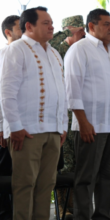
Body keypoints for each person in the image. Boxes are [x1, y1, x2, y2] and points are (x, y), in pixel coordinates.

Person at [1, 7, 68, 219]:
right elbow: (7, 92)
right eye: (46, 23)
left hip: (53, 130)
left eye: (51, 22)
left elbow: (62, 93)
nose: (52, 27)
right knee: (24, 186)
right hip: (27, 131)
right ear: (29, 26)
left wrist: (63, 126)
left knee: (46, 187)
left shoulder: (55, 53)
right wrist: (15, 127)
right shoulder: (17, 49)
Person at [64, 9, 110, 219]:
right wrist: (82, 122)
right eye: (106, 24)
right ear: (91, 27)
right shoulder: (79, 49)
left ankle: (104, 216)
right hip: (91, 124)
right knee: (86, 178)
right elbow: (72, 90)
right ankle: (82, 216)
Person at [49, 15, 86, 219]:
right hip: (63, 117)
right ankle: (64, 207)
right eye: (80, 31)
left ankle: (80, 207)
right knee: (65, 164)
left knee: (82, 163)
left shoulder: (83, 51)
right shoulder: (57, 50)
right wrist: (67, 32)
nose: (84, 34)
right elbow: (48, 42)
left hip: (81, 115)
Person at [0, 14, 22, 220]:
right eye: (20, 28)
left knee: (21, 179)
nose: (25, 30)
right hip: (4, 129)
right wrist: (1, 126)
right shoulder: (4, 54)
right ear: (8, 32)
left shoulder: (28, 54)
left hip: (23, 128)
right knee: (4, 179)